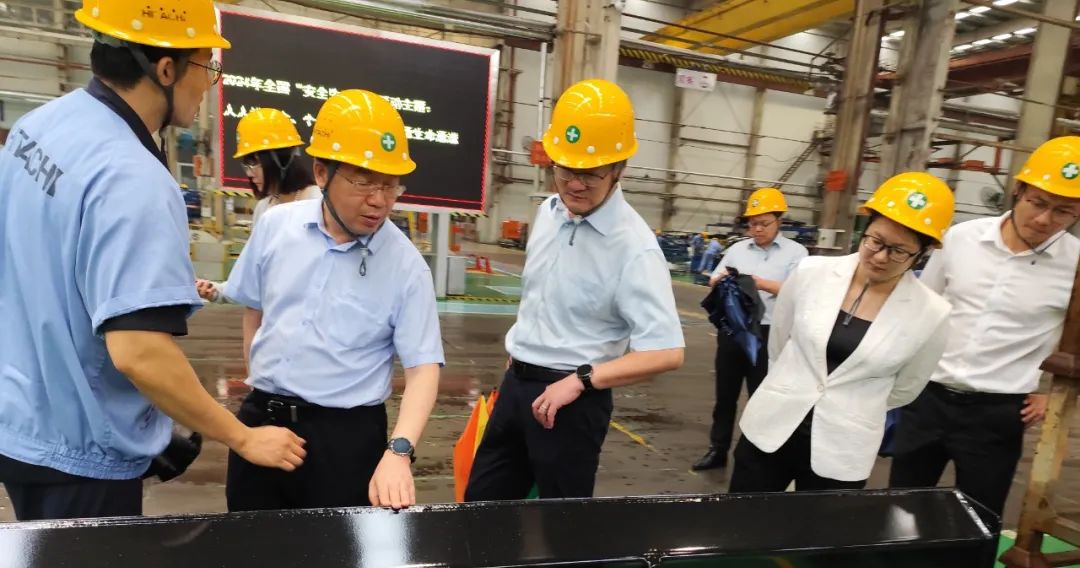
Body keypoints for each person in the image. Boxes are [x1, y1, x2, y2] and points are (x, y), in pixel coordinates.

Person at [0, 0, 305, 521]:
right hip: (80, 453)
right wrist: (242, 437)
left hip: (19, 418)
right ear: (165, 69)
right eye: (205, 65)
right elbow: (139, 352)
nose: (208, 83)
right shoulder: (132, 178)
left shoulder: (39, 125)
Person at [220, 90, 443, 511]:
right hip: (262, 423)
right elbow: (255, 311)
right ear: (322, 173)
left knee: (335, 549)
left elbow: (423, 369)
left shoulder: (406, 266)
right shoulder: (275, 228)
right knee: (248, 540)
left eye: (390, 185)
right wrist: (258, 386)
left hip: (344, 440)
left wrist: (398, 452)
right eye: (364, 181)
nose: (379, 200)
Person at [464, 78, 685, 502]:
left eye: (590, 174)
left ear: (619, 169)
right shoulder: (549, 214)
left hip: (572, 400)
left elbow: (666, 352)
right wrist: (523, 348)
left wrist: (582, 380)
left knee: (561, 525)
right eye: (565, 170)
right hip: (516, 386)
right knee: (480, 509)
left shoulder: (633, 247)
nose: (574, 184)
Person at [889, 137, 1080, 533]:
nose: (1044, 220)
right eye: (1038, 202)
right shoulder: (961, 239)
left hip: (998, 412)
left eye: (1064, 211)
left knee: (979, 520)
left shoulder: (1075, 265)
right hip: (928, 397)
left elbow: (1075, 340)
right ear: (1019, 189)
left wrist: (1051, 392)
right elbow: (922, 306)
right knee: (900, 506)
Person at [728, 172, 954, 493]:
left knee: (821, 524)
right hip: (771, 427)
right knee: (743, 516)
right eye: (875, 241)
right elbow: (780, 341)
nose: (880, 256)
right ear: (865, 229)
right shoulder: (812, 272)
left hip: (843, 448)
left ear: (922, 253)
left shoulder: (931, 313)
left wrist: (853, 403)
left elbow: (906, 388)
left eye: (898, 251)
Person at [692, 189, 808, 471]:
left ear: (779, 221)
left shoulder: (797, 254)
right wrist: (724, 281)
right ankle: (718, 449)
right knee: (725, 395)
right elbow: (714, 279)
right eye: (752, 224)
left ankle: (758, 453)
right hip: (734, 331)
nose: (757, 229)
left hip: (769, 334)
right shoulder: (737, 250)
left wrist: (756, 282)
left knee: (763, 396)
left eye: (763, 223)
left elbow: (798, 291)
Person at [196, 108, 320, 303]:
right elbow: (252, 277)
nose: (249, 173)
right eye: (246, 165)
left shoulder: (316, 202)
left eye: (255, 163)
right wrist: (216, 291)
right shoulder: (264, 209)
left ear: (281, 159)